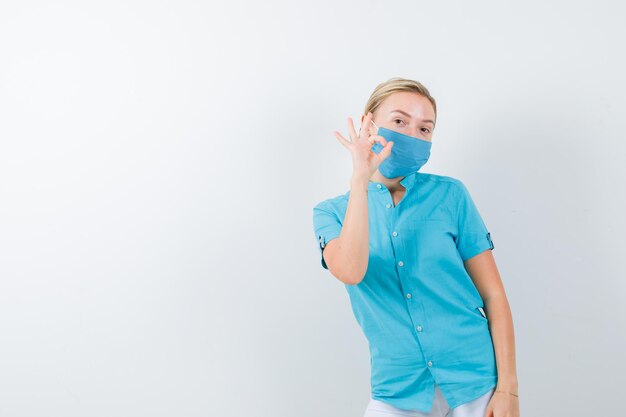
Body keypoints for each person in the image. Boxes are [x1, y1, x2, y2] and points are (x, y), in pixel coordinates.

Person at [312, 77, 520, 417]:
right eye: (399, 121)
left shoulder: (451, 195)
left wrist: (508, 390)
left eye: (425, 129)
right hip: (398, 389)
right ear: (368, 123)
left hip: (476, 383)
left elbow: (494, 295)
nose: (411, 135)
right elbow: (350, 270)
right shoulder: (331, 212)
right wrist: (360, 180)